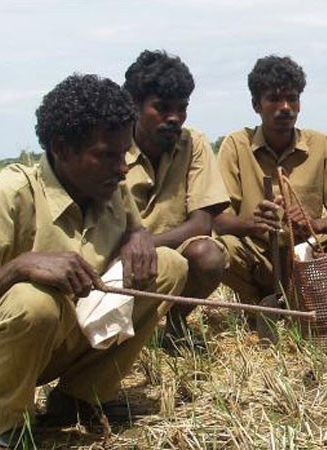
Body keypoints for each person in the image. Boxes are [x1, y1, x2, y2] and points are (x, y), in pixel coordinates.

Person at [0, 74, 188, 449]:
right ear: (62, 147)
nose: (123, 168)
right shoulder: (5, 196)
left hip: (60, 341)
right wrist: (18, 268)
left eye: (125, 153)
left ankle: (77, 401)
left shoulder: (110, 187)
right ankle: (4, 428)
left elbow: (136, 230)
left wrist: (139, 236)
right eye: (108, 154)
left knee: (167, 265)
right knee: (33, 301)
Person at [215, 55, 327, 310]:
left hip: (307, 255)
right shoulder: (236, 145)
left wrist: (314, 224)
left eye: (292, 98)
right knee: (219, 249)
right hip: (259, 257)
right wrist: (254, 223)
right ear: (256, 105)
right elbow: (218, 220)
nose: (285, 107)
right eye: (274, 99)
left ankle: (309, 300)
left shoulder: (321, 145)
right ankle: (258, 304)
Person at [123, 50, 229, 353]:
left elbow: (202, 224)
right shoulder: (111, 147)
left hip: (172, 251)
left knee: (208, 255)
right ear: (134, 105)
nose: (174, 118)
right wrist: (128, 248)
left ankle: (175, 325)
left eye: (181, 108)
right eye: (161, 108)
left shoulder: (193, 143)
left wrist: (145, 244)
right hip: (118, 255)